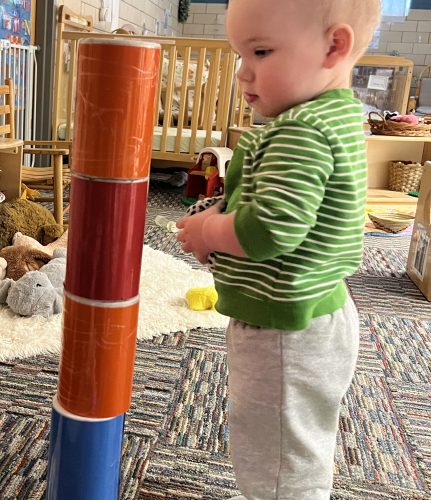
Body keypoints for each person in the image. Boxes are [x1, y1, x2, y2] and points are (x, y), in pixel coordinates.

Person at [176, 0, 381, 498]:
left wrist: (209, 234)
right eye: (241, 56)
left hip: (283, 331)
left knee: (277, 461)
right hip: (316, 312)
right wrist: (221, 216)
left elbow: (272, 227)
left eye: (261, 52)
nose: (243, 75)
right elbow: (281, 204)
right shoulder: (334, 116)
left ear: (334, 46)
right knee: (297, 445)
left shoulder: (301, 131)